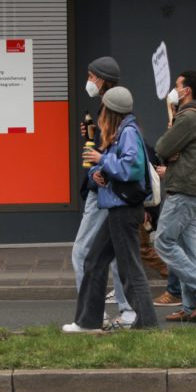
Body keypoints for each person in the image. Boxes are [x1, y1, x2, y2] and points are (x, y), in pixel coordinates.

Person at [63, 87, 159, 332]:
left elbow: (132, 168)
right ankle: (87, 321)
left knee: (129, 268)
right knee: (94, 261)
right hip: (117, 208)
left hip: (124, 210)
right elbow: (118, 167)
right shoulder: (120, 132)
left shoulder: (127, 132)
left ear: (111, 110)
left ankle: (147, 323)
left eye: (104, 107)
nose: (100, 112)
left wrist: (101, 161)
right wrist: (100, 173)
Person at [71, 56, 137, 327]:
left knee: (82, 253)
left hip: (102, 191)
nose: (88, 80)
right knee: (114, 255)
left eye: (91, 75)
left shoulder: (108, 108)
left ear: (101, 79)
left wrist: (96, 166)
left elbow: (109, 151)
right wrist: (92, 136)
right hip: (112, 192)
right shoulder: (113, 108)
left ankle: (91, 314)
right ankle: (128, 311)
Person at [155, 71, 196, 322]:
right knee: (188, 249)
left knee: (163, 242)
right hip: (193, 189)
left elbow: (162, 147)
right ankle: (192, 306)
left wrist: (172, 149)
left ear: (187, 90)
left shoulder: (189, 117)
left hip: (183, 188)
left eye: (177, 85)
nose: (174, 89)